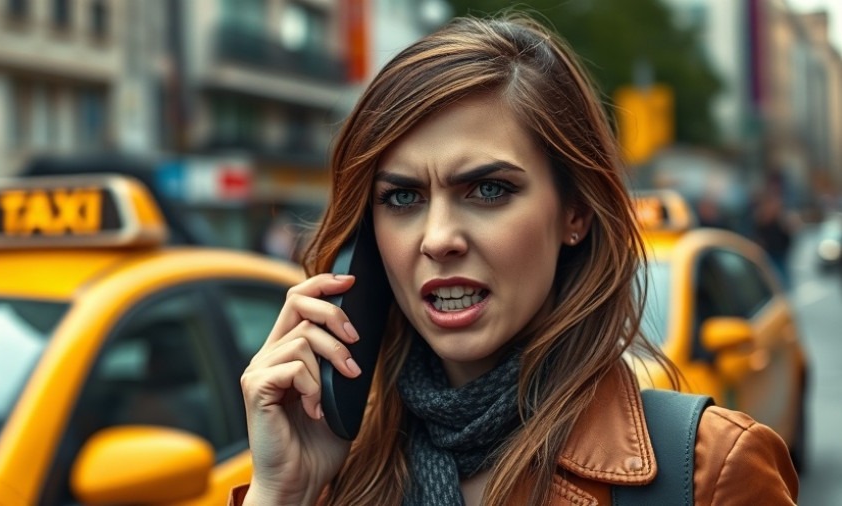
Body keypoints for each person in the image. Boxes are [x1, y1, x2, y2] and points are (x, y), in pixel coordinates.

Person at [233, 13, 798, 506]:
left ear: (574, 213)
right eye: (402, 197)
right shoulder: (331, 471)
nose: (438, 239)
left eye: (488, 190)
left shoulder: (711, 471)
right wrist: (282, 494)